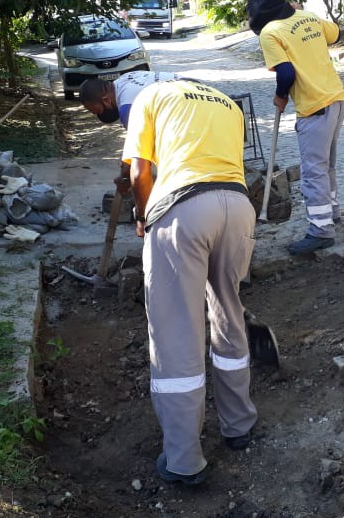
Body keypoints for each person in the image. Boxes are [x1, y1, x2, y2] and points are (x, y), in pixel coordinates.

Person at [121, 78, 257, 485]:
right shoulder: (227, 103)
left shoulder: (148, 95)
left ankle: (183, 459)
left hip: (182, 210)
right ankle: (239, 426)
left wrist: (144, 216)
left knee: (177, 330)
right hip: (238, 207)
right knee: (228, 314)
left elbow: (140, 171)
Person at [246, 0, 344, 255]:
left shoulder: (270, 33)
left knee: (313, 172)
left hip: (314, 108)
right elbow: (335, 34)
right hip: (337, 99)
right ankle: (332, 213)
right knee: (327, 165)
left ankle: (320, 230)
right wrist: (303, 14)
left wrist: (280, 96)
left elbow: (287, 74)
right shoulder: (307, 17)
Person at [79, 72, 180, 195]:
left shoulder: (128, 106)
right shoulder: (124, 80)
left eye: (98, 111)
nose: (99, 115)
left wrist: (125, 177)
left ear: (105, 100)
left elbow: (139, 156)